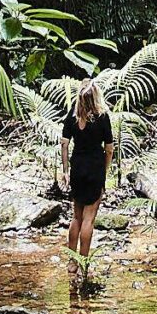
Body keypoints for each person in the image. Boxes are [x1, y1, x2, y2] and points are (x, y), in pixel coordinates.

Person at [60, 78, 115, 274]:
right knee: (88, 219)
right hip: (95, 169)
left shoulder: (72, 116)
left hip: (77, 169)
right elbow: (109, 149)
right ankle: (83, 262)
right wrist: (105, 172)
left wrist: (65, 170)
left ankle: (71, 262)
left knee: (76, 217)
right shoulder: (102, 117)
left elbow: (64, 143)